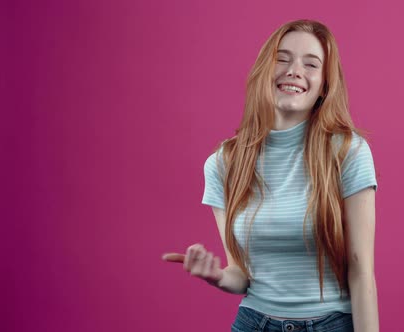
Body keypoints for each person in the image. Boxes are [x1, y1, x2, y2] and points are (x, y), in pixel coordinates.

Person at [162, 19, 379, 332]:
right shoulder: (224, 163)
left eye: (311, 64)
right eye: (283, 58)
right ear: (265, 70)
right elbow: (241, 275)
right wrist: (218, 276)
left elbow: (361, 271)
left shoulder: (348, 152)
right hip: (254, 323)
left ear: (324, 86)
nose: (293, 70)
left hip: (331, 324)